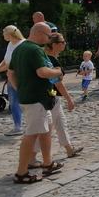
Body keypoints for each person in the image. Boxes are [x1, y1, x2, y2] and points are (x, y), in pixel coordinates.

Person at [9, 22, 64, 184]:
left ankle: (48, 163)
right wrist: (58, 71)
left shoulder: (20, 48)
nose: (48, 40)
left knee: (46, 130)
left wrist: (20, 88)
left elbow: (10, 73)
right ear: (40, 33)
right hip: (36, 100)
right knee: (31, 135)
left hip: (37, 98)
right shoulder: (34, 50)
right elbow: (42, 72)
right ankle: (21, 173)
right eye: (48, 36)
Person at [31, 33, 82, 162]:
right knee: (45, 127)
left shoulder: (50, 57)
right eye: (62, 42)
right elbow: (57, 83)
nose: (65, 44)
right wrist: (69, 99)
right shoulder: (50, 60)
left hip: (52, 96)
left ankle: (69, 149)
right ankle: (31, 157)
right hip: (49, 96)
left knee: (60, 122)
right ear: (54, 45)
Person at [0, 25, 25, 136]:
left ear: (10, 34)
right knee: (14, 102)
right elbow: (6, 60)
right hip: (11, 77)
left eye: (4, 32)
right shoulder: (10, 44)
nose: (2, 34)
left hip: (21, 77)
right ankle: (18, 126)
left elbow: (10, 64)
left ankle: (31, 125)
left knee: (24, 102)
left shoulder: (22, 45)